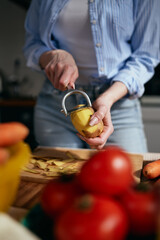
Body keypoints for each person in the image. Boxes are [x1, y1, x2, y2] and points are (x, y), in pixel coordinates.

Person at [23, 0, 160, 153]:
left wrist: (108, 98)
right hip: (56, 106)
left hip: (117, 105)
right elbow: (32, 43)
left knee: (128, 174)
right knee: (55, 174)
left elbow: (146, 56)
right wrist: (54, 55)